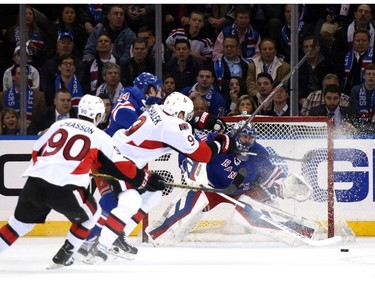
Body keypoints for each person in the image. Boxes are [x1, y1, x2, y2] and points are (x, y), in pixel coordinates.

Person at [0, 94, 162, 268]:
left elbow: (37, 149)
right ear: (98, 116)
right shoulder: (100, 136)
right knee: (92, 215)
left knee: (18, 225)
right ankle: (66, 255)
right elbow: (121, 165)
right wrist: (144, 178)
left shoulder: (57, 125)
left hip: (35, 182)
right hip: (66, 188)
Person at [83, 91, 235, 264]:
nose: (186, 119)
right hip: (119, 161)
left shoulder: (158, 108)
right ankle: (94, 243)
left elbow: (175, 125)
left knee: (152, 194)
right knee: (123, 202)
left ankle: (117, 235)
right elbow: (204, 155)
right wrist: (221, 142)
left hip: (119, 153)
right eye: (186, 115)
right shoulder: (173, 126)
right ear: (180, 114)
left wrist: (199, 120)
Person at [145, 120, 313, 245]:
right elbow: (187, 149)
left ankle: (302, 232)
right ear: (236, 135)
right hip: (211, 188)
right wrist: (189, 170)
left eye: (251, 138)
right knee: (181, 216)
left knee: (254, 219)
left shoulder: (258, 152)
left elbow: (272, 179)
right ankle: (159, 234)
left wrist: (286, 185)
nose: (248, 141)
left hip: (243, 191)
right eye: (244, 137)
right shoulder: (218, 141)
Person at [104, 72, 163, 137]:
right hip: (112, 144)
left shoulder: (138, 102)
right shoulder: (126, 104)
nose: (160, 97)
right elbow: (120, 112)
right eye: (160, 92)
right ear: (152, 90)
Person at [334, 29, 375, 95]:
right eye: (358, 40)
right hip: (345, 93)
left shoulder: (373, 56)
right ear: (353, 42)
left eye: (364, 40)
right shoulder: (343, 55)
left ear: (369, 42)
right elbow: (338, 75)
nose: (361, 43)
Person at [213, 34, 249, 105]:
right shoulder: (215, 65)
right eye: (226, 46)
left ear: (238, 48)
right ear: (222, 48)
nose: (229, 49)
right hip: (223, 100)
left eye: (232, 46)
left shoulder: (247, 64)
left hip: (243, 100)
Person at [298, 36, 334, 106]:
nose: (309, 49)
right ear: (303, 50)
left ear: (318, 48)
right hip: (304, 102)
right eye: (306, 47)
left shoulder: (328, 64)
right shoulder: (299, 66)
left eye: (312, 46)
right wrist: (301, 99)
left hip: (325, 100)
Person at [348, 63, 375, 132]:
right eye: (369, 74)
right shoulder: (355, 90)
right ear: (364, 76)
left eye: (374, 74)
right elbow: (352, 113)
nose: (371, 76)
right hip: (358, 126)